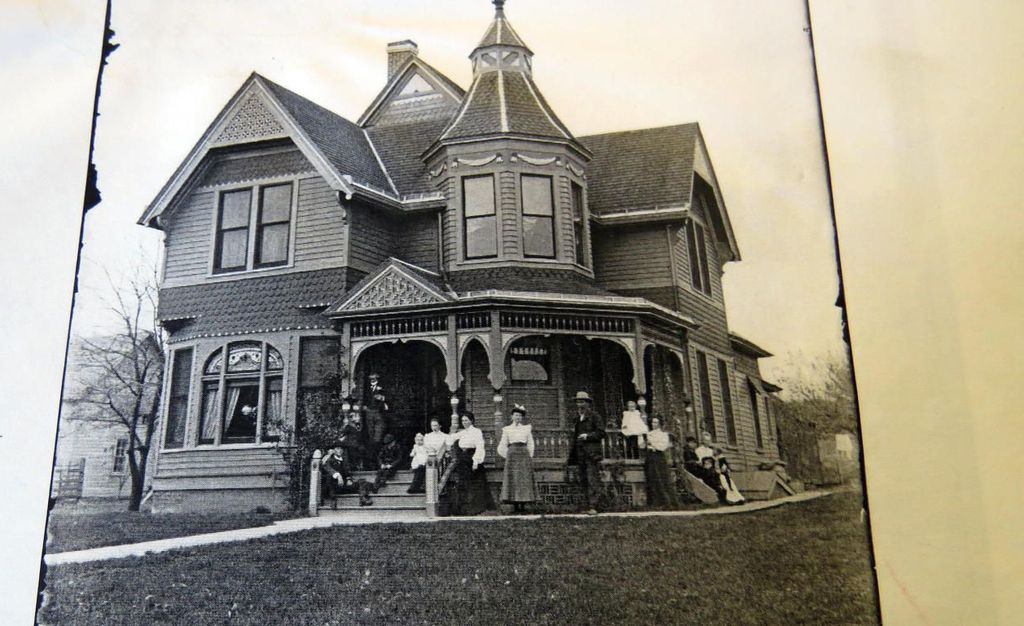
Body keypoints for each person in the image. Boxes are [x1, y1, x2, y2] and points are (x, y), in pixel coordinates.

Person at [444, 411, 492, 515]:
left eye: (466, 420)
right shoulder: (462, 432)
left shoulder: (477, 431)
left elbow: (480, 446)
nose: (464, 422)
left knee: (473, 484)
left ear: (471, 421)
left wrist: (476, 461)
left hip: (471, 457)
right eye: (463, 421)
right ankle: (462, 509)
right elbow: (450, 438)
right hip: (463, 458)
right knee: (462, 483)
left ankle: (474, 508)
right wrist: (448, 446)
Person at [566, 390, 606, 515]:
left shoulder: (594, 416)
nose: (580, 405)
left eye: (582, 402)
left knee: (592, 480)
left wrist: (587, 436)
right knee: (583, 480)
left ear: (588, 403)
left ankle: (594, 506)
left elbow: (601, 433)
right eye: (578, 402)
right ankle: (586, 505)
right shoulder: (577, 418)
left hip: (591, 454)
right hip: (580, 453)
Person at [497, 404, 536, 512]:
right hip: (512, 456)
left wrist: (529, 456)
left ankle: (523, 505)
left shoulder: (526, 429)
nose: (518, 417)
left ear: (522, 417)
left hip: (524, 456)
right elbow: (503, 444)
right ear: (512, 417)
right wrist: (508, 455)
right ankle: (515, 506)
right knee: (513, 479)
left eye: (520, 416)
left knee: (523, 480)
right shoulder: (507, 429)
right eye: (516, 415)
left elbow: (530, 443)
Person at [644, 416, 680, 509]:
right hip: (650, 456)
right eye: (653, 422)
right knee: (652, 477)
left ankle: (667, 502)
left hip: (659, 457)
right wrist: (651, 444)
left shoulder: (663, 435)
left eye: (656, 422)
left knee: (661, 478)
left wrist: (653, 444)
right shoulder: (649, 433)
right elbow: (646, 445)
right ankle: (655, 502)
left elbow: (663, 447)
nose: (653, 424)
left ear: (660, 424)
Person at [363, 372, 388, 461]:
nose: (372, 380)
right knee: (370, 433)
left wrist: (382, 398)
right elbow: (365, 398)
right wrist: (365, 406)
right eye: (370, 379)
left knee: (378, 436)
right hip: (369, 412)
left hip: (378, 412)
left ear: (377, 379)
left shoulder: (382, 388)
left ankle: (378, 455)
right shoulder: (367, 389)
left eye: (373, 379)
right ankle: (372, 457)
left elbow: (388, 398)